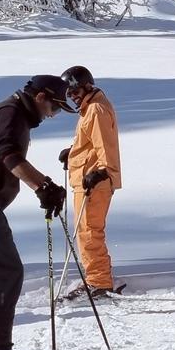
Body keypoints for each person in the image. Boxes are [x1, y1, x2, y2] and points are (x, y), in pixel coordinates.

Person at [0, 75, 73, 350]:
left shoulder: (14, 113)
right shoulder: (10, 113)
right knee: (5, 271)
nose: (54, 114)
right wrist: (43, 186)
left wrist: (43, 186)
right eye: (56, 107)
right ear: (41, 97)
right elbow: (9, 157)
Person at [58, 65, 122, 298]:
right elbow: (90, 142)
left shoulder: (96, 109)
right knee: (86, 230)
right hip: (86, 177)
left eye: (75, 91)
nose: (73, 97)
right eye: (69, 94)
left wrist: (103, 171)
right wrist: (73, 150)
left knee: (90, 231)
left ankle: (99, 282)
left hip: (94, 180)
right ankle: (96, 277)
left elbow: (105, 145)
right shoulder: (90, 108)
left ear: (86, 85)